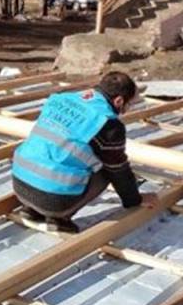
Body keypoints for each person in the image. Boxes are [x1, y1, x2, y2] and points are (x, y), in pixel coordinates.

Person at [10, 72, 159, 234]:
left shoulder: (62, 98)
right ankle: (60, 218)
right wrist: (134, 200)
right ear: (119, 101)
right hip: (54, 200)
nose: (126, 110)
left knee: (53, 152)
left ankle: (31, 210)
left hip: (19, 185)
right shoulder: (107, 123)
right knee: (106, 168)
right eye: (128, 105)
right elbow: (118, 171)